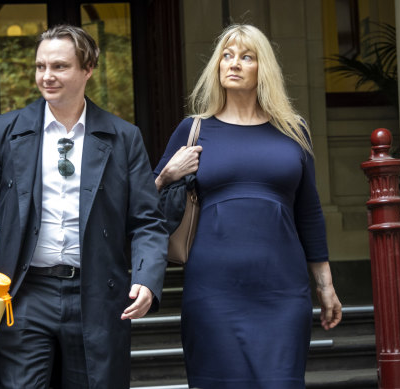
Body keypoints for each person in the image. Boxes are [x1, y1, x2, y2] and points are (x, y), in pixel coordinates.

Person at [0, 24, 168, 389]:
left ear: (88, 68)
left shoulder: (124, 138)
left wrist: (146, 277)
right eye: (40, 67)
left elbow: (147, 221)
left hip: (97, 294)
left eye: (60, 67)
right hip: (26, 294)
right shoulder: (3, 132)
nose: (46, 77)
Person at [154, 23, 342, 389]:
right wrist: (166, 175)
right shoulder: (193, 129)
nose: (234, 64)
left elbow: (309, 211)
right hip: (212, 292)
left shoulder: (294, 130)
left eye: (246, 57)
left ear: (263, 68)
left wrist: (326, 284)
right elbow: (144, 202)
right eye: (226, 56)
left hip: (282, 292)